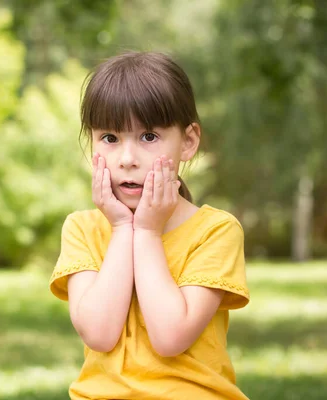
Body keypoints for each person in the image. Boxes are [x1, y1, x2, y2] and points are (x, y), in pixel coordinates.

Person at [49, 51, 250, 400]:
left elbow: (170, 337)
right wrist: (123, 228)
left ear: (188, 142)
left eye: (148, 137)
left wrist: (147, 232)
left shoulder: (216, 230)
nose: (127, 160)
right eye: (110, 138)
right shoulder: (82, 228)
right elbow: (98, 333)